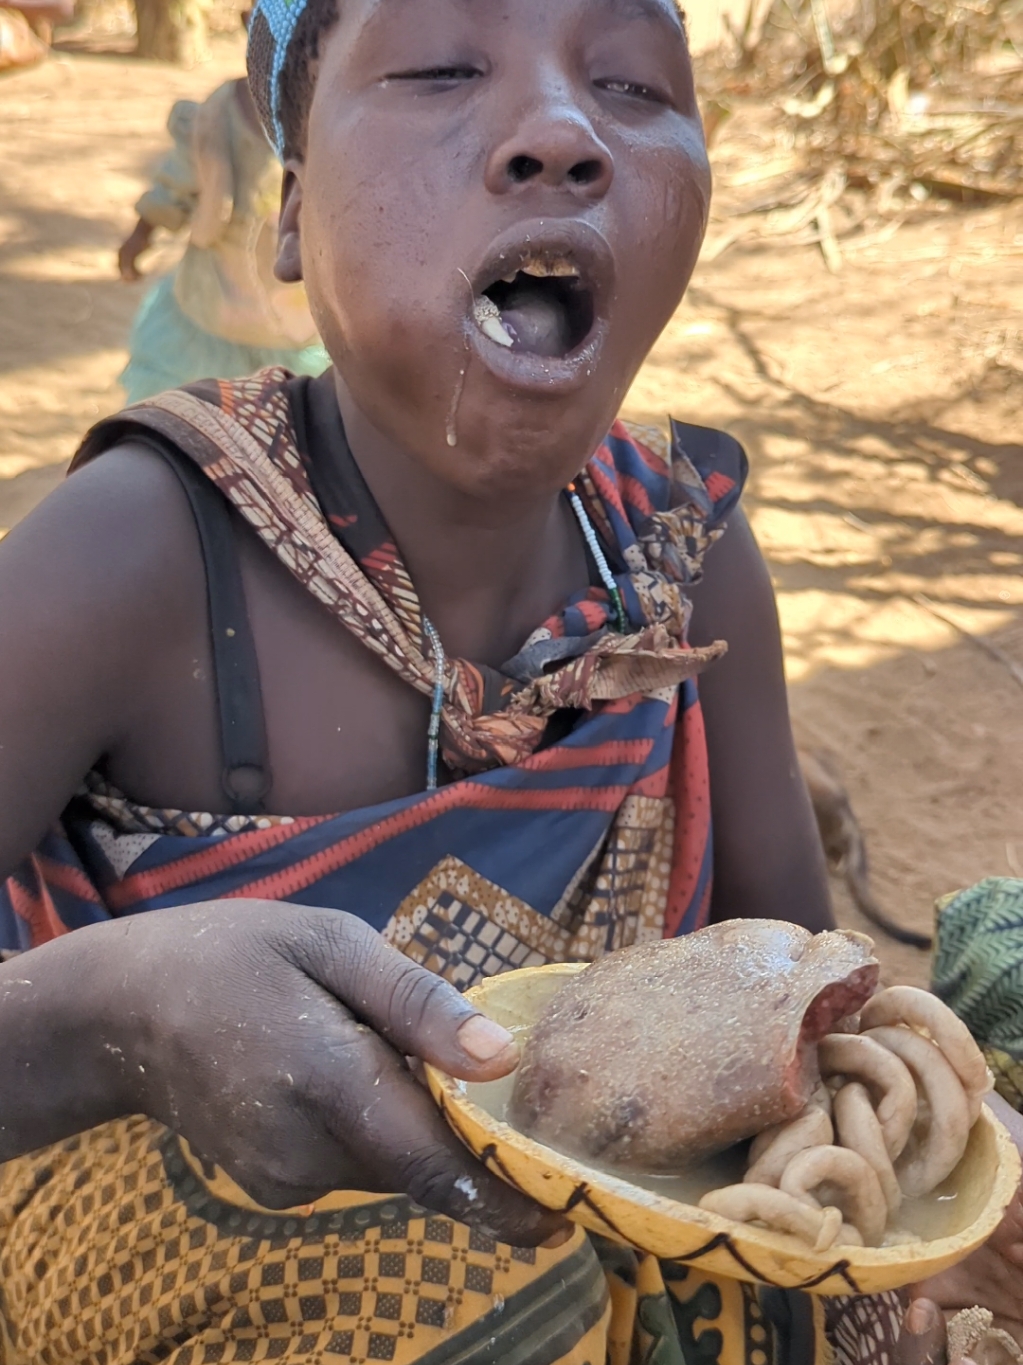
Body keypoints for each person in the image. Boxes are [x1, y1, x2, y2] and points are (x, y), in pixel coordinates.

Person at [0, 0, 1018, 1359]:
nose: (559, 132)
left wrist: (929, 1173)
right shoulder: (135, 553)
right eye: (436, 68)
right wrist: (109, 1013)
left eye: (632, 86)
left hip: (628, 1238)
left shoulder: (684, 553)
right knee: (485, 1295)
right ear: (291, 214)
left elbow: (797, 989)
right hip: (187, 1252)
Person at [117, 72, 328, 402]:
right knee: (193, 415)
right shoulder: (220, 113)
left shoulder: (339, 113)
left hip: (303, 329)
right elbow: (178, 179)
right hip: (213, 313)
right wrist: (140, 234)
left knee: (294, 426)